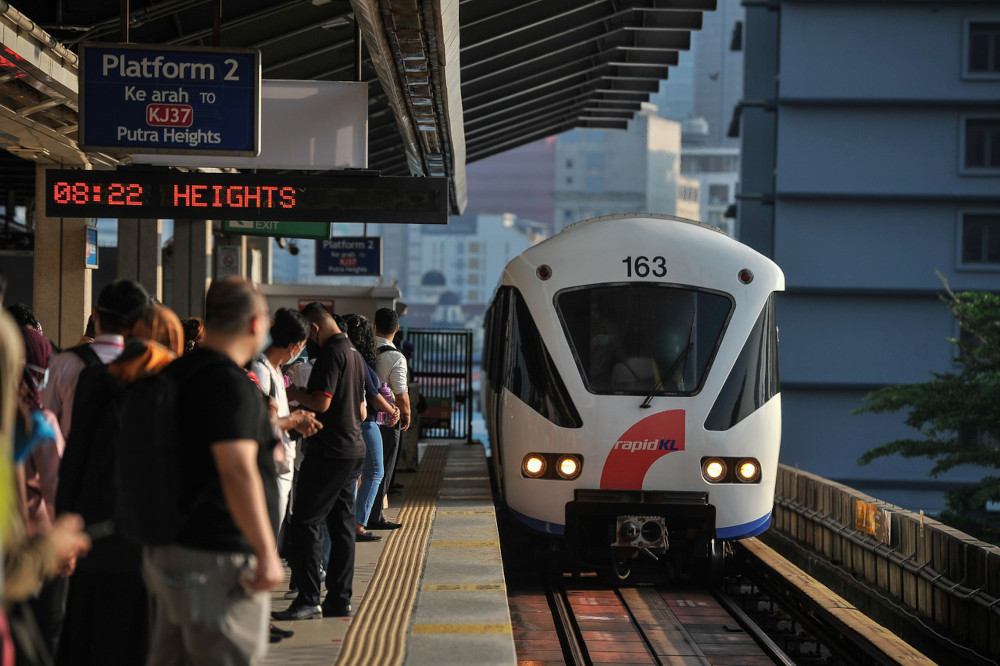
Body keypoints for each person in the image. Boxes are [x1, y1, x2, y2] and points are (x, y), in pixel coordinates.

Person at [143, 277, 283, 665]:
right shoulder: (229, 383)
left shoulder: (175, 373)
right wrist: (265, 550)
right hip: (218, 558)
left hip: (174, 548)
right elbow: (237, 470)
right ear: (255, 323)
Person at [56, 303, 185, 666]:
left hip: (94, 539)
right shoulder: (174, 388)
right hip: (147, 546)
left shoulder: (100, 381)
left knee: (91, 637)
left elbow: (74, 461)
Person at [0, 311, 90, 666]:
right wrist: (59, 543)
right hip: (36, 549)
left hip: (28, 552)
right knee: (45, 632)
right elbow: (56, 485)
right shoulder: (37, 422)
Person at [273, 302, 367, 620]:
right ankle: (339, 599)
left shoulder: (330, 354)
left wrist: (297, 393)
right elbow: (362, 408)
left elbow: (321, 403)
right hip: (353, 449)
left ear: (314, 327)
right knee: (341, 527)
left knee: (305, 521)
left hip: (330, 450)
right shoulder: (353, 352)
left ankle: (308, 598)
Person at [42, 279, 150, 440]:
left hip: (75, 462)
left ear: (95, 314)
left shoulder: (63, 364)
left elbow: (46, 430)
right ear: (141, 321)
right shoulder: (149, 366)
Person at [250, 308, 321, 545]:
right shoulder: (260, 370)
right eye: (301, 344)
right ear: (294, 345)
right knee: (265, 538)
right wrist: (292, 421)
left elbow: (275, 412)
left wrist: (294, 416)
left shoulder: (275, 371)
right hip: (266, 468)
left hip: (279, 465)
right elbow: (256, 421)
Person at [344, 314, 398, 541]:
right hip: (366, 424)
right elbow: (373, 393)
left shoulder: (343, 356)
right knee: (374, 472)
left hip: (350, 424)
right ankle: (358, 525)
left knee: (355, 475)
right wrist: (393, 411)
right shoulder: (359, 360)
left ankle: (349, 523)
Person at [368, 307, 411, 532]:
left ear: (374, 326)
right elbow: (401, 393)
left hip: (362, 417)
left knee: (365, 470)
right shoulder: (396, 357)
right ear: (397, 328)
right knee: (382, 467)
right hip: (386, 419)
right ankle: (375, 515)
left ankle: (363, 513)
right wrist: (406, 414)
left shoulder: (363, 349)